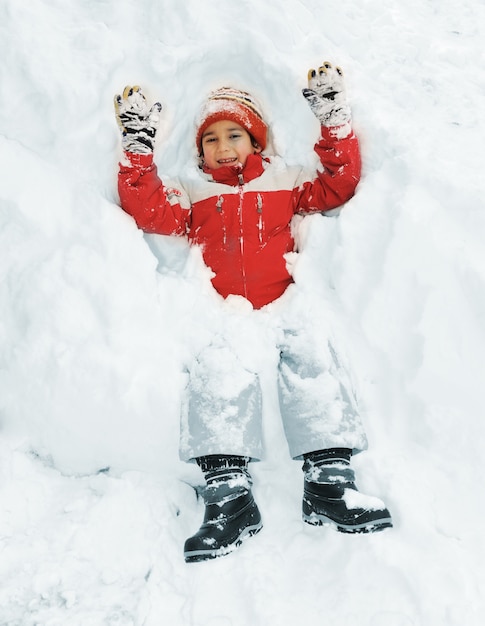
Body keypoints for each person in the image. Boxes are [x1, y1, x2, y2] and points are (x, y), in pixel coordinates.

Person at [114, 62, 393, 563]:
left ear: (256, 140)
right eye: (211, 140)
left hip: (285, 301)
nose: (222, 147)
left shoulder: (286, 181)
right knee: (216, 377)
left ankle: (329, 485)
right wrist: (138, 150)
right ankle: (229, 498)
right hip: (225, 312)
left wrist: (334, 123)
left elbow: (338, 184)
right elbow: (149, 208)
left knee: (313, 362)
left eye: (234, 134)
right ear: (199, 151)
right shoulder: (194, 192)